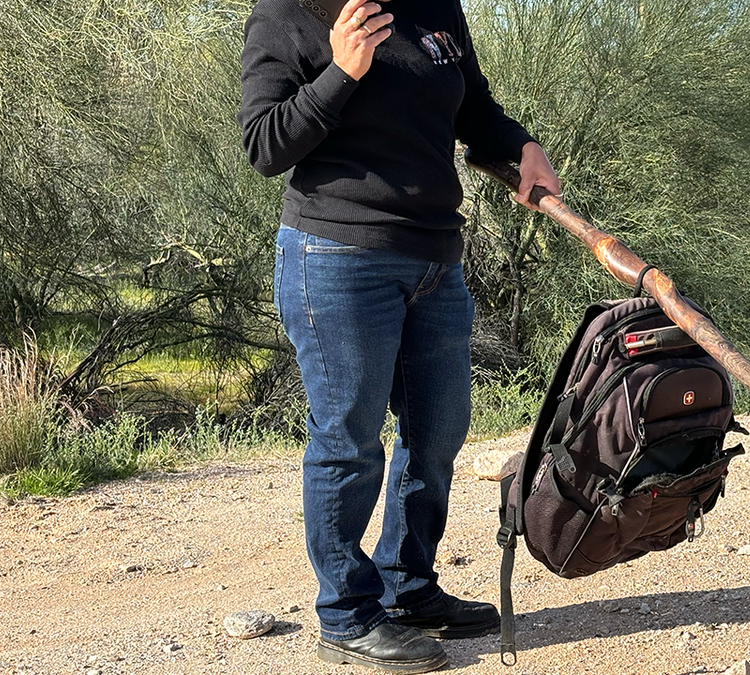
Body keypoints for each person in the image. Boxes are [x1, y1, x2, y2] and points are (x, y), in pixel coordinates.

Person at [238, 0, 559, 671]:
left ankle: (407, 586)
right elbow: (264, 145)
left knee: (438, 429)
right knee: (348, 440)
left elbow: (472, 105)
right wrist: (342, 72)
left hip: (436, 259)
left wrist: (520, 144)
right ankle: (346, 613)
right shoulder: (287, 12)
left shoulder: (433, 4)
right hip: (335, 255)